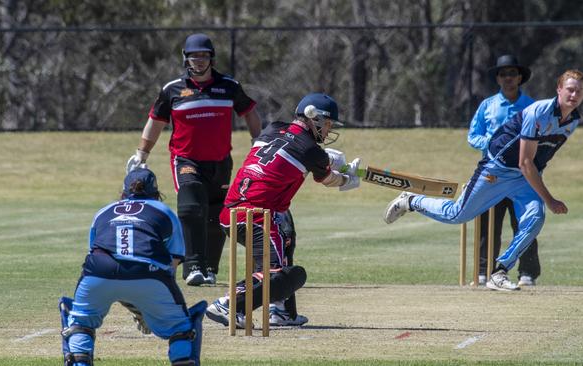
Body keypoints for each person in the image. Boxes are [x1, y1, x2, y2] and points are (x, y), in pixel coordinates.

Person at [383, 70, 583, 292]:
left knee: (535, 218)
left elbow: (542, 155)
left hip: (523, 176)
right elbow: (525, 162)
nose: (574, 94)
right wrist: (549, 199)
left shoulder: (573, 120)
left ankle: (499, 272)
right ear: (559, 89)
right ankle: (412, 200)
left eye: (579, 91)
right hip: (497, 169)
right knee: (457, 215)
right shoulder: (538, 111)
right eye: (570, 89)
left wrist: (540, 193)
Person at [205, 93, 361, 327]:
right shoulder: (312, 151)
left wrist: (325, 159)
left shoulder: (272, 128)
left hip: (232, 211)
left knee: (286, 233)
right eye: (327, 124)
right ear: (312, 117)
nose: (328, 131)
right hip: (257, 216)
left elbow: (287, 147)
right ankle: (228, 304)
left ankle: (282, 312)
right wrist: (348, 179)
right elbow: (328, 179)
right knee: (282, 275)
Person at [126, 33, 262, 286]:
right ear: (185, 59)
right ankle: (192, 266)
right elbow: (155, 121)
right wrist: (142, 153)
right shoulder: (173, 89)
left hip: (221, 161)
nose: (199, 61)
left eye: (204, 56)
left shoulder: (229, 86)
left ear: (211, 58)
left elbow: (250, 112)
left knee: (216, 214)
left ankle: (210, 267)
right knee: (191, 206)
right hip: (186, 159)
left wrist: (259, 143)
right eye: (194, 56)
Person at [58, 167, 206, 366]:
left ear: (124, 192)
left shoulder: (103, 211)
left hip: (98, 271)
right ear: (156, 193)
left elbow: (99, 256)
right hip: (149, 275)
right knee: (181, 328)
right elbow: (173, 262)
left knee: (80, 324)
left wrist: (134, 301)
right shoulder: (164, 211)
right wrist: (147, 306)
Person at [467, 54, 540, 286]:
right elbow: (473, 136)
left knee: (525, 221)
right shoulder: (487, 105)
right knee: (488, 223)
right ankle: (483, 270)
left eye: (512, 74)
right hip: (492, 173)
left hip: (521, 174)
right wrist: (490, 144)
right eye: (503, 74)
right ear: (497, 78)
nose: (508, 78)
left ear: (520, 77)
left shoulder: (530, 106)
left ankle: (527, 272)